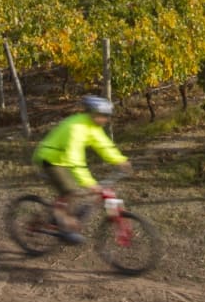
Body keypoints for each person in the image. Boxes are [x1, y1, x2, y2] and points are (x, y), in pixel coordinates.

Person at [32, 94, 131, 244]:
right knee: (71, 190)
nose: (106, 119)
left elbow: (104, 146)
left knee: (78, 193)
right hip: (50, 159)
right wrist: (88, 182)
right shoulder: (76, 127)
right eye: (103, 115)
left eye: (108, 116)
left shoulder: (93, 126)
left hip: (64, 160)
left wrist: (120, 160)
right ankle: (65, 227)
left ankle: (59, 217)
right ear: (93, 113)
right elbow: (75, 157)